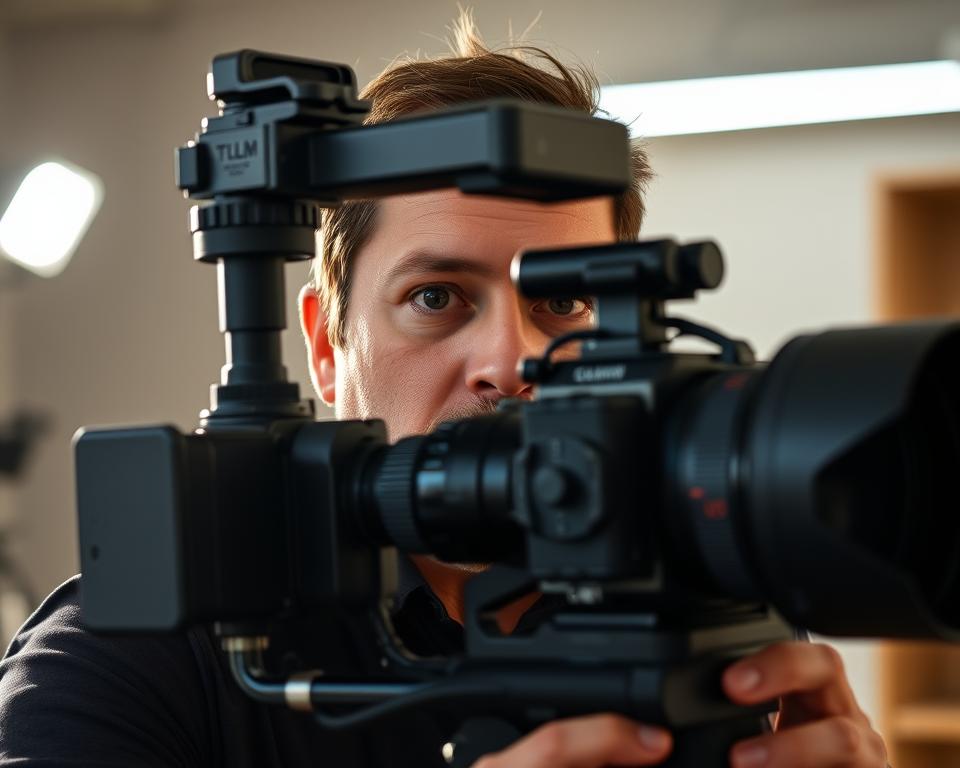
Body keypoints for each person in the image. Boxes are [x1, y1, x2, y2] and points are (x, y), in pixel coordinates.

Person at [0, 12, 888, 768]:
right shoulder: (133, 656)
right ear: (325, 346)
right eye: (436, 298)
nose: (512, 359)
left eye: (563, 300)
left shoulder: (703, 602)